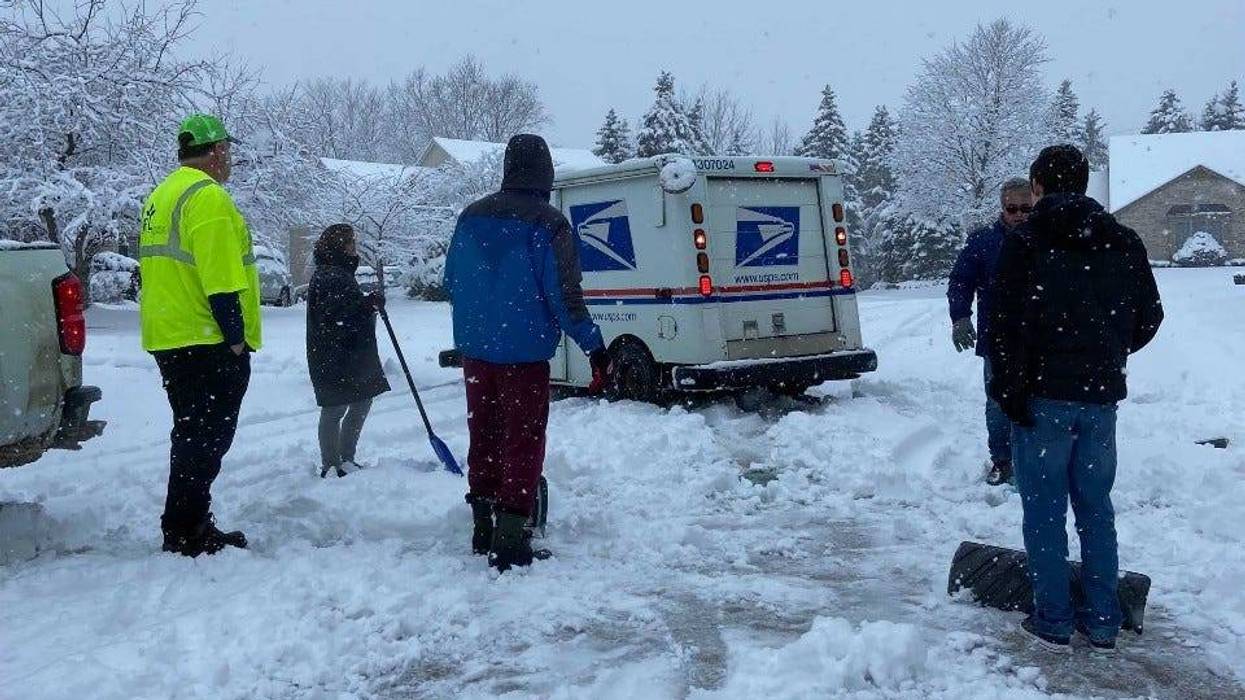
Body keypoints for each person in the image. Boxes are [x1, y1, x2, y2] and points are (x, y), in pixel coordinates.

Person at [987, 144, 1163, 653]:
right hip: (1099, 399)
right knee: (1095, 507)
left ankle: (1054, 619)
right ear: (1084, 185)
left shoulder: (1026, 243)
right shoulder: (1122, 240)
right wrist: (1106, 350)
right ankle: (1103, 620)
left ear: (1038, 187)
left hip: (1043, 401)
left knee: (1043, 512)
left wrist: (1011, 390)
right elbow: (1150, 315)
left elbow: (1000, 327)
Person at [444, 134, 611, 572]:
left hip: (477, 353)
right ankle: (512, 537)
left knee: (484, 434)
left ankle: (482, 525)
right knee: (523, 438)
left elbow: (452, 283)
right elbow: (565, 297)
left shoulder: (470, 216)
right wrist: (595, 348)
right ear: (546, 171)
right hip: (523, 356)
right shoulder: (549, 223)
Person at [138, 114, 260, 557]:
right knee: (206, 438)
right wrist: (235, 339)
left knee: (191, 433)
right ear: (216, 151)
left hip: (169, 334)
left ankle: (185, 523)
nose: (229, 158)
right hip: (205, 337)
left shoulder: (162, 194)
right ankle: (187, 530)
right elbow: (222, 280)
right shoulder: (208, 199)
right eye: (227, 149)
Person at [948, 178, 1034, 486]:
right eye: (1013, 208)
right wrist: (960, 317)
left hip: (1042, 340)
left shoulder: (1048, 239)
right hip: (997, 339)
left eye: (1026, 207)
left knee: (1040, 401)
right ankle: (1003, 461)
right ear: (1002, 208)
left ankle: (1037, 460)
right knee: (998, 402)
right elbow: (960, 281)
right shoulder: (984, 242)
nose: (1020, 214)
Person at [306, 224, 390, 478]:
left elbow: (344, 309)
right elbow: (336, 316)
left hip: (347, 353)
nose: (355, 246)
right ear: (340, 246)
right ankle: (331, 466)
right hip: (335, 354)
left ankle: (346, 459)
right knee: (335, 407)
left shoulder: (337, 271)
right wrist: (366, 306)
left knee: (361, 400)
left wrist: (366, 304)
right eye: (351, 242)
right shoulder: (330, 274)